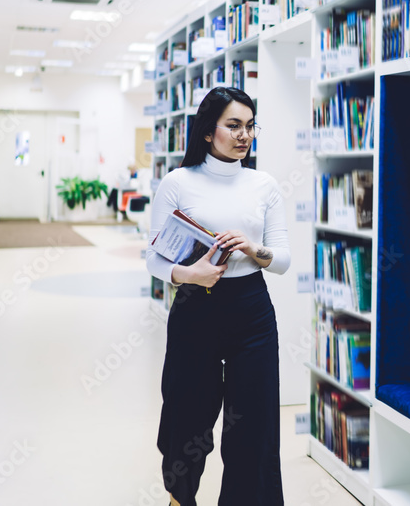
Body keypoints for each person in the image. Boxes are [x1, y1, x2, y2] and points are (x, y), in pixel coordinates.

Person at [145, 86, 290, 506]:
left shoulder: (264, 185)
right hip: (196, 307)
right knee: (186, 415)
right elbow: (155, 260)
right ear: (208, 131)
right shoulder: (178, 182)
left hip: (252, 310)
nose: (244, 135)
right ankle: (180, 497)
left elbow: (281, 259)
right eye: (233, 125)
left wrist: (251, 249)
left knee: (255, 424)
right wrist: (191, 273)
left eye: (250, 126)